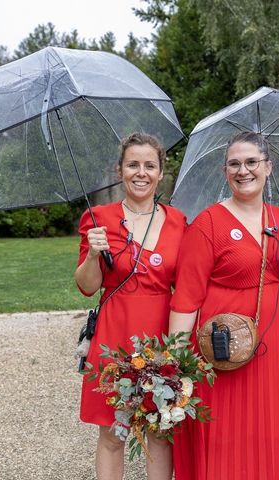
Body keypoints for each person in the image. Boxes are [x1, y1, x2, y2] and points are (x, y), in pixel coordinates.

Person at [168, 132, 279, 480]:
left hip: (275, 347)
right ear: (225, 171)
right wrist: (173, 364)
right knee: (226, 432)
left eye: (251, 162)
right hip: (223, 347)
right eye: (234, 164)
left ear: (268, 167)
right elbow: (186, 297)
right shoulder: (208, 223)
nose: (243, 170)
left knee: (270, 428)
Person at [75, 132, 185, 480]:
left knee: (159, 430)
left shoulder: (179, 222)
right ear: (119, 169)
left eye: (149, 165)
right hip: (114, 332)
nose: (141, 172)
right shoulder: (98, 218)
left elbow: (186, 286)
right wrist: (93, 253)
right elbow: (87, 286)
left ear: (160, 172)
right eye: (133, 164)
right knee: (112, 431)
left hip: (160, 337)